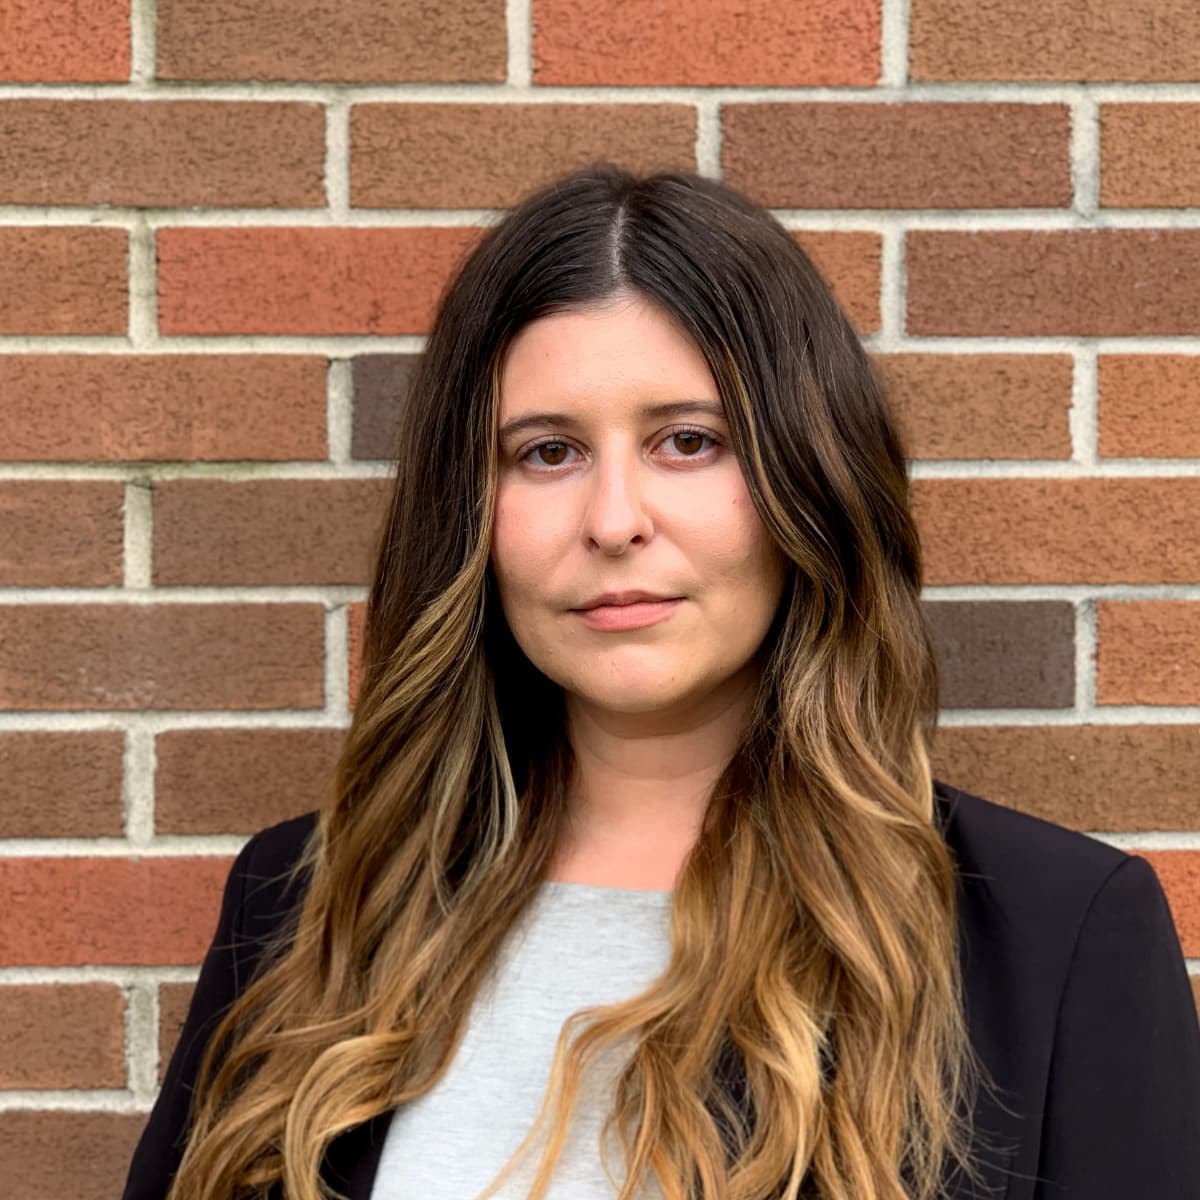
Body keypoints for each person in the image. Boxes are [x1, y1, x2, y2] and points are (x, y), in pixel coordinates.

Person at [121, 164, 1200, 1200]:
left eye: (689, 441)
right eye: (547, 453)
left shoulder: (1056, 940)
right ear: (469, 516)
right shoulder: (305, 905)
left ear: (806, 479)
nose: (614, 520)